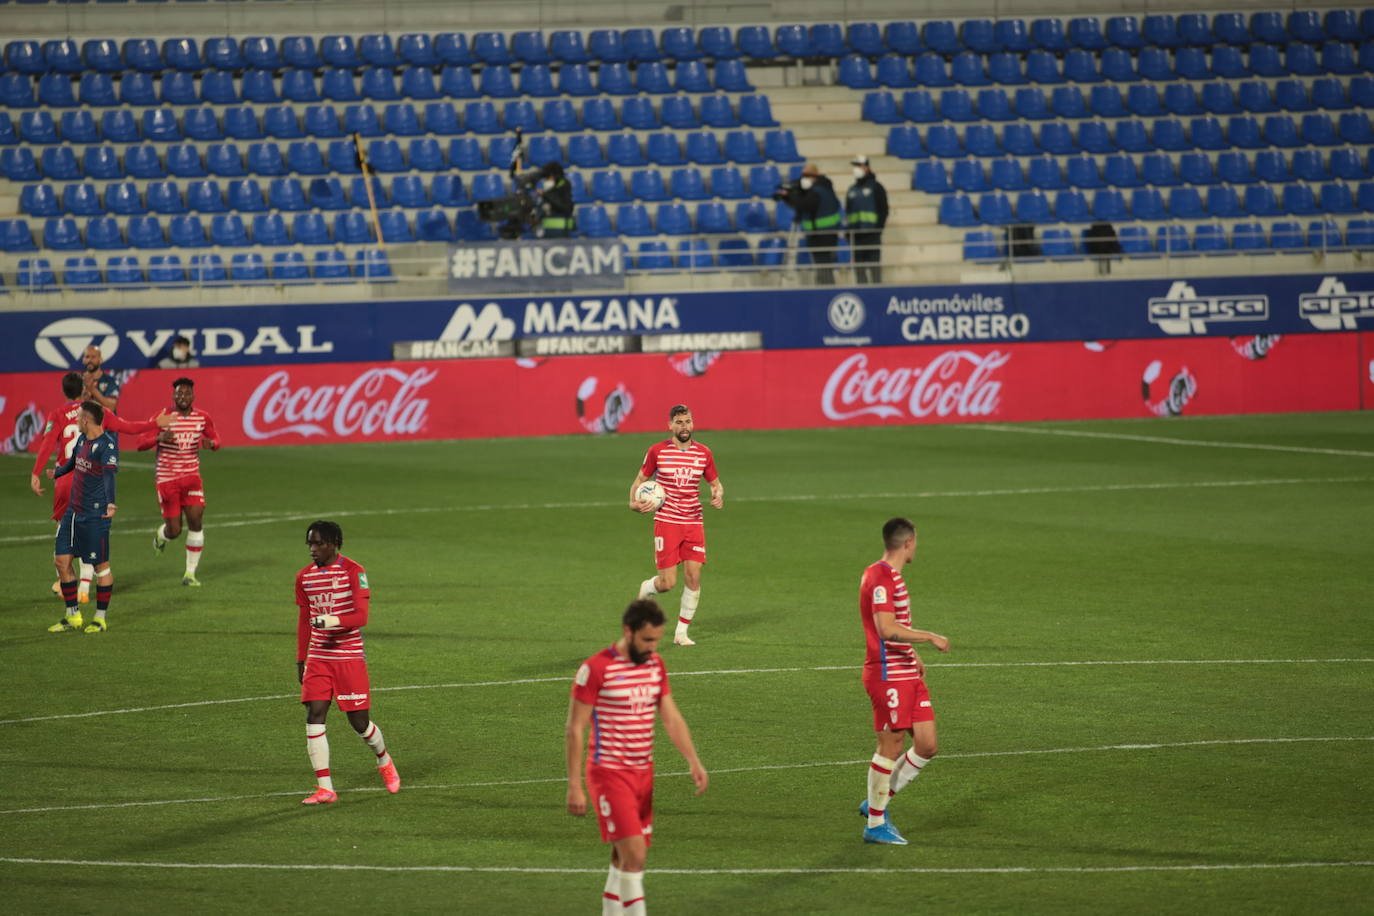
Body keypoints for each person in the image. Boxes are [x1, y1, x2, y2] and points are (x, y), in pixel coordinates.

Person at [566, 599, 708, 916]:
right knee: (636, 856)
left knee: (622, 859)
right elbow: (575, 729)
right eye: (647, 640)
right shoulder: (596, 669)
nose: (652, 647)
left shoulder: (655, 665)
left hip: (643, 775)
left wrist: (693, 760)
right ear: (627, 632)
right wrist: (574, 785)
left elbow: (671, 717)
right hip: (609, 774)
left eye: (656, 640)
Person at [31, 374, 172, 604]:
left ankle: (63, 581)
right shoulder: (98, 412)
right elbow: (128, 427)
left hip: (65, 482)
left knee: (63, 533)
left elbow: (48, 442)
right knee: (89, 534)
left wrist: (36, 473)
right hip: (89, 481)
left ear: (64, 391)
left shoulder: (57, 414)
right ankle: (85, 586)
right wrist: (155, 423)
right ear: (84, 390)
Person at [857, 517, 950, 845]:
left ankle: (875, 801)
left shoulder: (890, 576)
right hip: (887, 674)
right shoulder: (881, 577)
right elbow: (885, 628)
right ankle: (876, 824)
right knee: (891, 744)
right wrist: (929, 637)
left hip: (905, 669)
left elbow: (895, 629)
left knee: (927, 744)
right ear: (908, 543)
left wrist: (913, 654)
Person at [295, 520, 400, 805]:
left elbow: (360, 618)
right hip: (318, 658)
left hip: (348, 657)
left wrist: (331, 621)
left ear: (334, 544)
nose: (312, 549)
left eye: (318, 543)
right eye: (310, 544)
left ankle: (384, 759)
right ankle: (325, 788)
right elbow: (305, 621)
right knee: (314, 714)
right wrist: (301, 659)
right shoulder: (304, 578)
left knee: (359, 722)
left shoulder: (354, 572)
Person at [628, 404, 724, 647]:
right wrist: (633, 503)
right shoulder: (657, 451)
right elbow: (640, 481)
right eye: (679, 422)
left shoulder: (704, 453)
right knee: (668, 583)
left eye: (688, 421)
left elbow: (715, 483)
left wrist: (717, 494)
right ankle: (648, 586)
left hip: (694, 521)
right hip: (667, 522)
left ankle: (681, 633)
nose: (684, 427)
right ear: (670, 425)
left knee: (693, 576)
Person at [46, 401, 118, 634]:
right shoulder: (81, 440)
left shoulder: (107, 445)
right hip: (73, 512)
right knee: (61, 560)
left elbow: (109, 477)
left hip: (95, 515)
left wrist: (110, 502)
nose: (76, 420)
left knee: (101, 566)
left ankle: (99, 618)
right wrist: (56, 472)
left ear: (86, 420)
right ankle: (73, 615)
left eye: (78, 417)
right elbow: (72, 463)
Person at [140, 377, 220, 587]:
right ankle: (161, 536)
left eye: (186, 393)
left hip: (191, 478)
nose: (182, 397)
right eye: (179, 393)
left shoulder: (202, 417)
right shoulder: (163, 417)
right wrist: (158, 438)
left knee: (196, 520)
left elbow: (216, 440)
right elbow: (140, 443)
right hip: (167, 479)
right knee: (174, 531)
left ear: (193, 396)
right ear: (173, 396)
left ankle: (190, 574)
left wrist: (210, 443)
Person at [781, 163, 842, 286]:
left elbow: (805, 205)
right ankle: (826, 288)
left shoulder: (817, 191)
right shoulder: (826, 189)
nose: (803, 179)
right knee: (824, 267)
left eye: (806, 176)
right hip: (827, 235)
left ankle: (827, 291)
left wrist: (789, 197)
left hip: (821, 236)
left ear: (814, 177)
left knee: (824, 267)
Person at [846, 155, 889, 285]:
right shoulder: (852, 190)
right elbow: (848, 212)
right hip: (857, 236)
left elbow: (883, 210)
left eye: (858, 166)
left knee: (874, 269)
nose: (856, 169)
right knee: (859, 271)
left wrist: (878, 230)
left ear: (867, 167)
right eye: (855, 166)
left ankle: (877, 296)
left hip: (872, 235)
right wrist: (849, 232)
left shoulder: (876, 187)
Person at [537, 161, 576, 238]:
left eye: (547, 178)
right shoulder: (549, 192)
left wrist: (545, 194)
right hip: (548, 233)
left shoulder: (563, 188)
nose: (545, 181)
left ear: (553, 176)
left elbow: (564, 207)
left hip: (562, 232)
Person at [80, 345, 119, 416]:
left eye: (93, 357)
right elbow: (72, 406)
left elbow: (111, 407)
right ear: (83, 360)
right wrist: (84, 397)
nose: (90, 360)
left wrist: (92, 389)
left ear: (100, 359)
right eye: (87, 357)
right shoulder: (78, 381)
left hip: (106, 425)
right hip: (86, 424)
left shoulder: (111, 381)